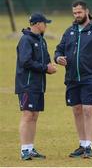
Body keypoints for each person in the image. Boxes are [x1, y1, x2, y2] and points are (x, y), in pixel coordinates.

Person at [54, 0, 92, 158]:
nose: (77, 15)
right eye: (74, 13)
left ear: (86, 11)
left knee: (88, 110)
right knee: (77, 110)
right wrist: (58, 58)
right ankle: (82, 144)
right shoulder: (70, 31)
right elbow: (59, 49)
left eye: (79, 12)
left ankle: (89, 146)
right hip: (72, 78)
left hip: (90, 78)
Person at [15, 13, 57, 160]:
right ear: (38, 24)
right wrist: (45, 68)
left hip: (38, 85)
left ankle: (30, 148)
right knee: (27, 115)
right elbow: (25, 61)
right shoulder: (26, 40)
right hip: (27, 85)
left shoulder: (42, 40)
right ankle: (24, 150)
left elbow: (45, 60)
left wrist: (51, 65)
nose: (46, 26)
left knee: (34, 116)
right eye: (45, 23)